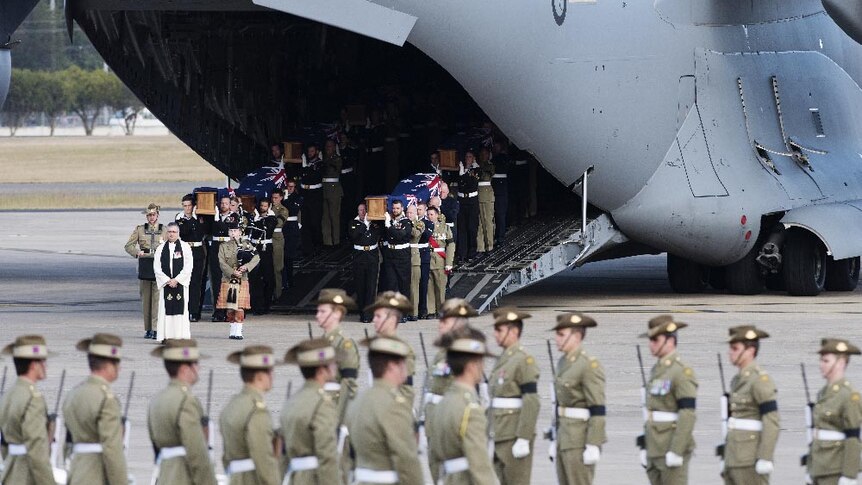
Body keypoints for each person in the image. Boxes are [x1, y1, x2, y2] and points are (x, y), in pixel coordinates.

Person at [344, 336, 423, 485]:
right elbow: (407, 460)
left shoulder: (357, 402)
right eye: (403, 364)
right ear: (392, 366)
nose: (407, 371)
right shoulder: (394, 405)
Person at [428, 325, 497, 485]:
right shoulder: (470, 408)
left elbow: (435, 455)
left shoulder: (443, 404)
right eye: (481, 362)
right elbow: (479, 465)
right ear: (472, 366)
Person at [147, 339, 217, 485]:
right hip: (184, 476)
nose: (199, 369)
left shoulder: (157, 400)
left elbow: (156, 445)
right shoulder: (187, 401)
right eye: (196, 364)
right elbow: (197, 450)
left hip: (164, 474)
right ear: (185, 369)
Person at [423, 299, 478, 483]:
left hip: (451, 430)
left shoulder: (465, 355)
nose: (439, 325)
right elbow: (428, 389)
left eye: (444, 321)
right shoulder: (442, 353)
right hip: (434, 426)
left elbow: (472, 398)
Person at [638, 315, 697, 485]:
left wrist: (677, 450)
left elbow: (687, 414)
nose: (651, 344)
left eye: (655, 340)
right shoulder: (657, 370)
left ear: (670, 341)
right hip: (654, 445)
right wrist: (645, 444)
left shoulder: (681, 372)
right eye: (650, 340)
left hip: (670, 444)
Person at [63, 333, 128, 485]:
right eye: (117, 363)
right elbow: (112, 449)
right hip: (97, 475)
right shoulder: (106, 399)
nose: (120, 368)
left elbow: (67, 444)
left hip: (76, 471)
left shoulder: (73, 394)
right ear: (108, 364)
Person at [549, 313, 607, 485]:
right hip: (563, 438)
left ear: (576, 336)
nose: (556, 339)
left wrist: (594, 443)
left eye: (561, 335)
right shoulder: (562, 363)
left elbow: (597, 407)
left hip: (579, 440)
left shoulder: (588, 364)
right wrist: (554, 437)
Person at [488, 306, 540, 485]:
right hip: (500, 434)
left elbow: (531, 400)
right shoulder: (503, 359)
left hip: (513, 434)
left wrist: (524, 437)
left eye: (499, 330)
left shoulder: (523, 360)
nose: (494, 334)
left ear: (514, 331)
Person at [722, 325, 779, 485]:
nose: (730, 353)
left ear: (750, 351)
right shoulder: (737, 380)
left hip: (750, 459)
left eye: (735, 348)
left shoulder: (759, 380)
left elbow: (772, 420)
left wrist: (765, 457)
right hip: (735, 457)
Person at [314, 288, 360, 484]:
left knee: (339, 468)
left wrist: (339, 419)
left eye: (323, 311)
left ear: (338, 313)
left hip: (335, 411)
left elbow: (349, 385)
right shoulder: (322, 343)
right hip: (320, 411)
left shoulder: (345, 344)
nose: (318, 315)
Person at [279, 338, 341, 485]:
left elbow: (282, 454)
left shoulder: (292, 401)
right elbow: (327, 454)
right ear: (321, 371)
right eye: (332, 364)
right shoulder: (322, 404)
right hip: (315, 478)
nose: (336, 366)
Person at [220, 345, 279, 485]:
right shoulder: (256, 411)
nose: (273, 376)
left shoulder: (232, 405)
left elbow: (225, 457)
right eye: (270, 372)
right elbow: (263, 458)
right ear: (259, 377)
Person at [806, 338, 862, 485]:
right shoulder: (824, 393)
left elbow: (853, 438)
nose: (821, 365)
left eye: (826, 361)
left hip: (835, 470)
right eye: (821, 361)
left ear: (841, 363)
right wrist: (810, 469)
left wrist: (849, 475)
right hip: (820, 467)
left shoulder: (849, 395)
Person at [0, 335, 54, 484]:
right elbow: (37, 448)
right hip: (28, 476)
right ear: (33, 365)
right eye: (43, 361)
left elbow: (4, 443)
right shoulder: (32, 398)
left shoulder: (8, 395)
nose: (46, 366)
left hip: (10, 472)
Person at [124, 203, 167, 339]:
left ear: (158, 215)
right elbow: (128, 245)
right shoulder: (140, 229)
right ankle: (147, 328)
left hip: (159, 265)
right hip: (145, 264)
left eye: (153, 215)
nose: (151, 217)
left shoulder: (165, 230)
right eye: (149, 215)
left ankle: (155, 328)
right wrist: (137, 253)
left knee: (157, 299)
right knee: (146, 300)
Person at [366, 291, 416, 402]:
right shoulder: (375, 346)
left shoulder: (403, 350)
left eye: (378, 316)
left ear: (392, 319)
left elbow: (406, 389)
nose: (374, 320)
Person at [217, 222, 260, 340]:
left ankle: (239, 331)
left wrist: (246, 267)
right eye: (230, 231)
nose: (232, 233)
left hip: (242, 278)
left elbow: (256, 257)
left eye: (235, 231)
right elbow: (221, 262)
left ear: (240, 232)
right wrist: (232, 272)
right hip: (228, 279)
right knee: (230, 307)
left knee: (240, 306)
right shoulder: (223, 246)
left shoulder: (246, 245)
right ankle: (232, 330)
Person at [153, 222, 194, 341]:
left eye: (174, 232)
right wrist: (167, 280)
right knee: (165, 310)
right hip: (166, 285)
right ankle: (165, 336)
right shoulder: (161, 248)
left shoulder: (185, 247)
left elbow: (188, 266)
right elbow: (157, 267)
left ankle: (180, 336)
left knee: (180, 310)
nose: (171, 234)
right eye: (169, 232)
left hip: (180, 284)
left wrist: (177, 280)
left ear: (178, 233)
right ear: (167, 233)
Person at [176, 194, 207, 322]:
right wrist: (190, 219)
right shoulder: (180, 218)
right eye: (185, 206)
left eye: (189, 206)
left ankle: (194, 312)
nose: (187, 208)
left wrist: (194, 217)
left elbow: (202, 232)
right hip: (185, 251)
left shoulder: (200, 217)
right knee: (184, 282)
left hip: (197, 251)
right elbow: (184, 232)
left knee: (196, 283)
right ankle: (183, 310)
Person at [349, 203, 382, 323]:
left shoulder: (374, 224)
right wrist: (365, 225)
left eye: (364, 210)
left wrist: (370, 222)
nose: (362, 212)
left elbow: (378, 234)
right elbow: (354, 236)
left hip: (372, 257)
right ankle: (362, 312)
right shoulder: (353, 223)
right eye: (360, 210)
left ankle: (369, 313)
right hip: (359, 257)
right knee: (360, 286)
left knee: (371, 286)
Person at [209, 196, 238, 322]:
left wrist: (216, 220)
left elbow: (226, 229)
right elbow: (208, 229)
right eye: (222, 203)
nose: (224, 205)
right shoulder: (214, 216)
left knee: (229, 280)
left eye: (226, 203)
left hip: (228, 248)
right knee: (216, 281)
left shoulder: (234, 216)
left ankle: (229, 311)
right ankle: (218, 311)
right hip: (216, 247)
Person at [249, 198, 277, 315]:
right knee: (255, 278)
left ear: (269, 207)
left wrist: (256, 220)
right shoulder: (254, 217)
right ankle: (256, 305)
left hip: (266, 249)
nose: (262, 208)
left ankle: (266, 304)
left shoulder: (272, 218)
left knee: (268, 277)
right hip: (255, 247)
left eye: (265, 206)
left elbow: (267, 228)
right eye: (261, 206)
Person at [381, 199, 413, 297]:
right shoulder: (390, 220)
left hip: (402, 255)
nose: (395, 210)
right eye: (393, 208)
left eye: (397, 208)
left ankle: (404, 311)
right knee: (391, 284)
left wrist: (388, 225)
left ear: (402, 209)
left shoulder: (406, 222)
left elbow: (399, 235)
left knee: (403, 283)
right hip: (390, 254)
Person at [427, 206, 454, 316]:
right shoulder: (424, 226)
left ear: (437, 215)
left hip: (440, 261)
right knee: (429, 287)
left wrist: (449, 263)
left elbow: (451, 245)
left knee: (440, 287)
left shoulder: (445, 228)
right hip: (428, 259)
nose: (429, 217)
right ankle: (430, 311)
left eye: (431, 214)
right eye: (428, 214)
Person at [410, 201, 433, 320]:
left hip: (423, 256)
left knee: (423, 284)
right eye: (416, 210)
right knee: (412, 284)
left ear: (425, 210)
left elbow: (425, 236)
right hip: (412, 254)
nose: (418, 212)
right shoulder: (410, 223)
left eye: (420, 209)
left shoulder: (427, 223)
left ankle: (422, 309)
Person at [456, 150, 480, 262]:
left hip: (472, 200)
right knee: (462, 228)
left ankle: (472, 252)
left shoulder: (476, 170)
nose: (468, 159)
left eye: (470, 157)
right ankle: (462, 253)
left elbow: (471, 183)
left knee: (471, 227)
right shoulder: (461, 169)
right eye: (466, 157)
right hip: (462, 199)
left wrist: (462, 175)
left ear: (473, 158)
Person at [300, 143, 324, 254]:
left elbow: (314, 176)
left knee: (315, 222)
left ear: (317, 152)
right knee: (306, 222)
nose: (310, 154)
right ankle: (308, 247)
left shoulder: (320, 164)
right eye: (309, 151)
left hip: (315, 194)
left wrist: (305, 168)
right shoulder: (306, 163)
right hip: (305, 193)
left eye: (312, 151)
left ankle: (317, 245)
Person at [322, 138, 344, 247]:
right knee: (325, 216)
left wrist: (324, 161)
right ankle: (327, 241)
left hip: (334, 189)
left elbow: (335, 168)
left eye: (330, 146)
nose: (328, 148)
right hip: (324, 189)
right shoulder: (323, 158)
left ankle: (336, 241)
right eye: (327, 146)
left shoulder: (337, 158)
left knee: (334, 216)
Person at [282, 180, 303, 289]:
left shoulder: (298, 198)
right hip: (283, 227)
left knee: (289, 257)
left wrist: (285, 199)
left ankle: (289, 281)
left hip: (292, 228)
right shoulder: (282, 197)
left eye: (292, 187)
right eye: (288, 187)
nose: (290, 189)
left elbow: (293, 209)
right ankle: (285, 280)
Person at [270, 188, 289, 300]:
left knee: (277, 268)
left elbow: (279, 223)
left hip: (277, 239)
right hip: (267, 239)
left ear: (281, 198)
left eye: (276, 198)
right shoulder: (267, 207)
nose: (274, 200)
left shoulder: (283, 210)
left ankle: (277, 294)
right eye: (272, 198)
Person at [476, 147, 496, 255]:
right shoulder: (477, 165)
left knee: (488, 221)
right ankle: (480, 247)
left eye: (485, 154)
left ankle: (490, 246)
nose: (483, 156)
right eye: (482, 154)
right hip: (478, 194)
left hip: (487, 194)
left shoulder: (489, 165)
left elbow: (486, 174)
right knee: (479, 222)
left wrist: (477, 166)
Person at [491, 140, 511, 246]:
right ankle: (497, 237)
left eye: (497, 146)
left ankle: (500, 238)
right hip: (493, 191)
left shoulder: (501, 159)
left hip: (500, 191)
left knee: (500, 215)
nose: (495, 148)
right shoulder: (494, 159)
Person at [440, 182, 459, 251]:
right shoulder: (434, 200)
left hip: (449, 229)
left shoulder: (453, 202)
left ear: (447, 191)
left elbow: (451, 216)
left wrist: (440, 205)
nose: (442, 194)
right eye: (440, 192)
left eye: (444, 192)